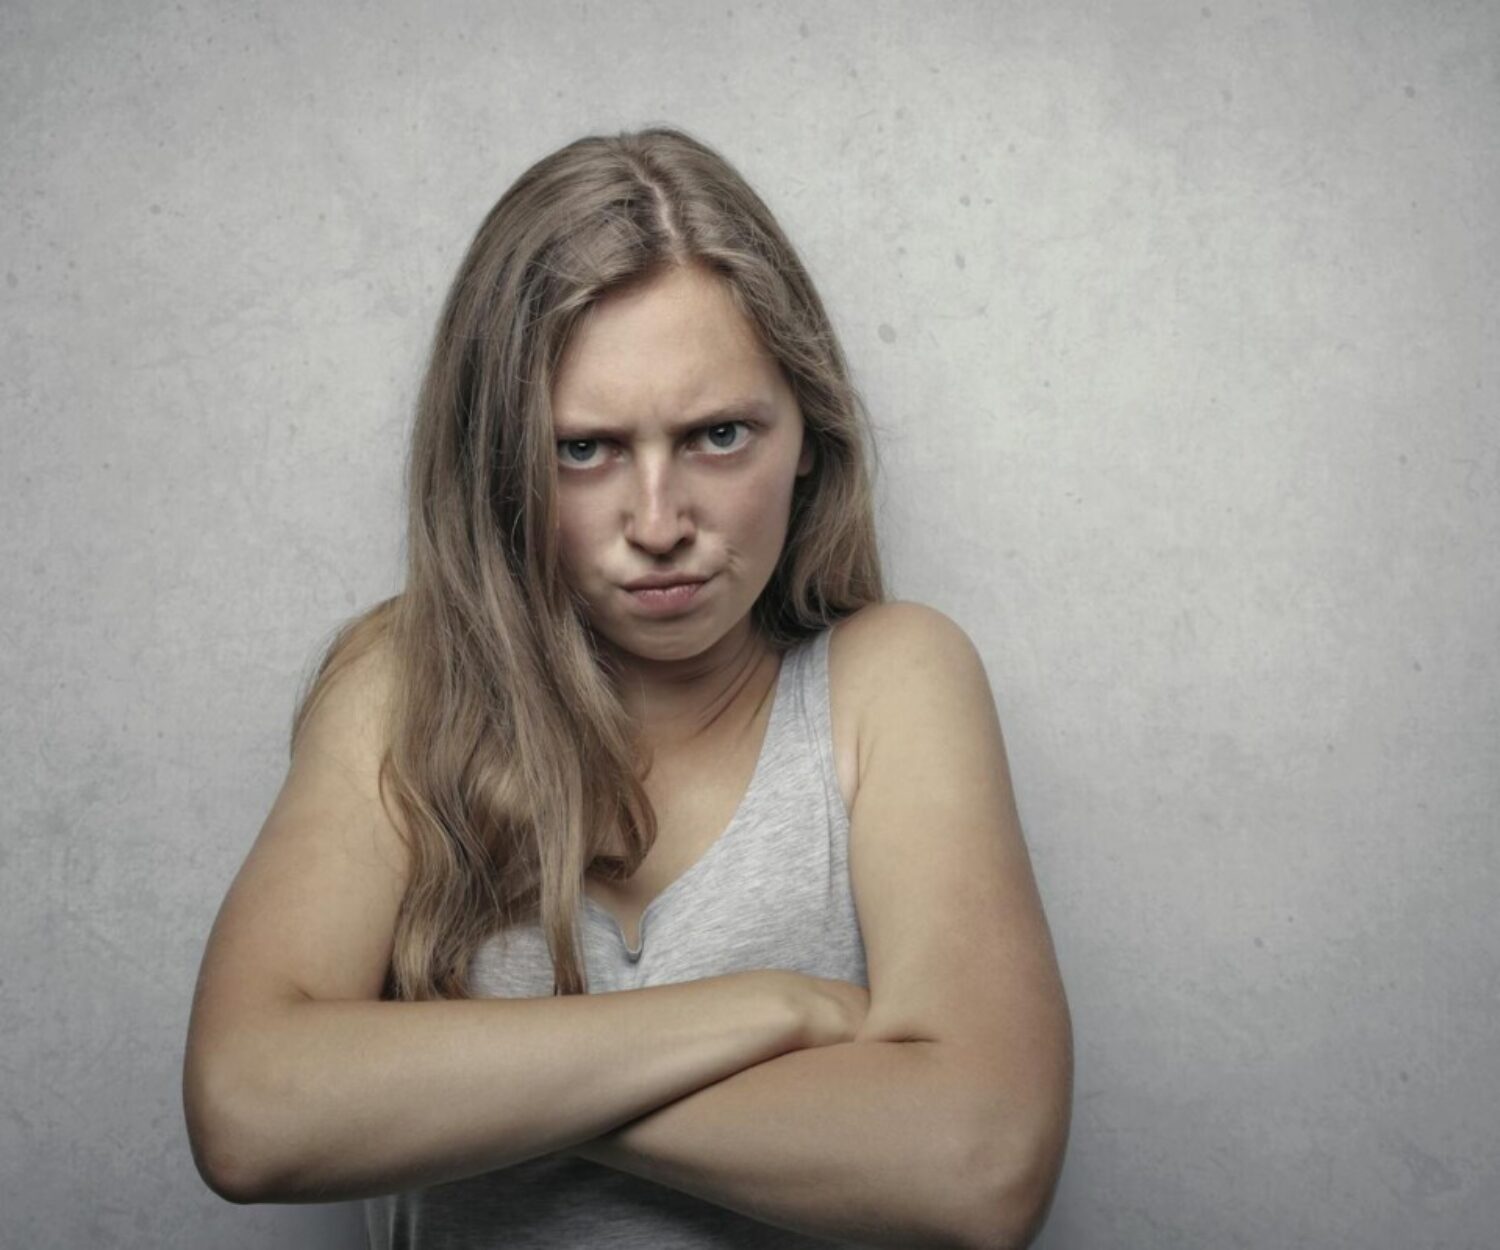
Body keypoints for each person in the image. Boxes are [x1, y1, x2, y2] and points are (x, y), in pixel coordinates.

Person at [182, 125, 1073, 1249]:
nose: (659, 524)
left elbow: (979, 1165)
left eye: (718, 434)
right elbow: (249, 1108)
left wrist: (440, 1081)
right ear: (497, 457)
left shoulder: (891, 682)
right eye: (584, 449)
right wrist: (771, 1009)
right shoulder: (403, 688)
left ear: (809, 433)